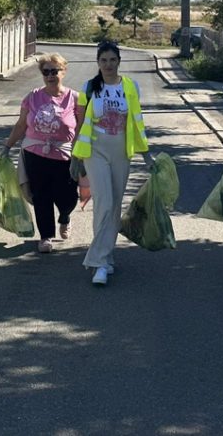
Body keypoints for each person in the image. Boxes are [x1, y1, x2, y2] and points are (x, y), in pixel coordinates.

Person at [71, 40, 152, 286]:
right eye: (103, 60)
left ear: (119, 61)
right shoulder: (88, 87)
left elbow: (137, 123)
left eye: (112, 60)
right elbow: (80, 123)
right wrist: (76, 156)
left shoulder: (130, 86)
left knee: (115, 204)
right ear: (97, 62)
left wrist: (146, 155)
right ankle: (99, 263)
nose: (108, 64)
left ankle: (106, 257)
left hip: (121, 152)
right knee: (104, 202)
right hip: (95, 151)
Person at [0, 53, 79, 253]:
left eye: (55, 71)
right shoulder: (32, 97)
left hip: (64, 154)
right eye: (46, 72)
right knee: (41, 196)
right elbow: (20, 125)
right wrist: (7, 147)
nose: (50, 75)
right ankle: (46, 236)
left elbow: (82, 128)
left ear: (64, 71)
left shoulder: (75, 98)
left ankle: (65, 216)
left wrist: (81, 154)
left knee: (68, 197)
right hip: (35, 153)